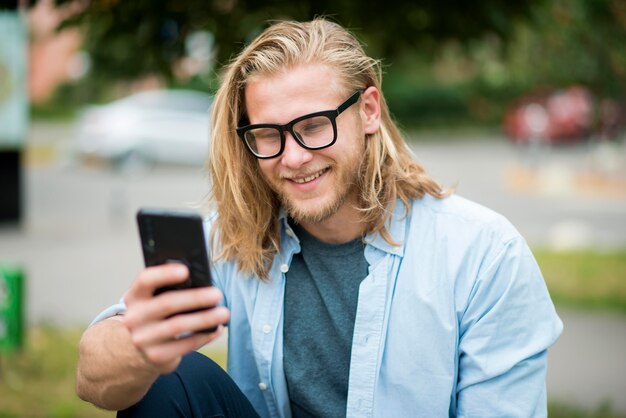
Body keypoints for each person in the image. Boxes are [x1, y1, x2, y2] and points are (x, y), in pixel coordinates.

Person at [76, 18, 563, 418]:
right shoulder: (235, 235)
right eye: (268, 134)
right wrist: (141, 347)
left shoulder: (483, 254)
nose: (292, 157)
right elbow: (90, 377)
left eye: (313, 126)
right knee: (171, 379)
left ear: (368, 111)